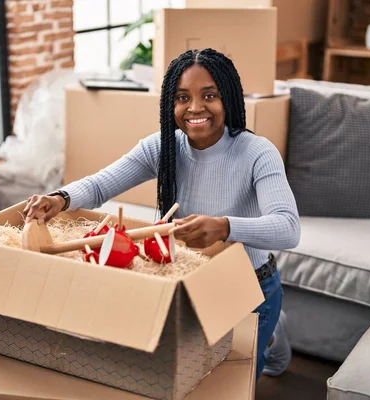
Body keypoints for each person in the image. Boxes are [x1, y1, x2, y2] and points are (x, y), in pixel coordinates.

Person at [24, 48, 300, 379]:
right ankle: (273, 327)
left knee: (232, 383)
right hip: (189, 282)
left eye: (209, 95)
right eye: (183, 97)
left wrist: (225, 228)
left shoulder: (258, 153)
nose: (195, 108)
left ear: (228, 97)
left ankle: (271, 326)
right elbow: (101, 185)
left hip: (249, 285)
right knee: (191, 375)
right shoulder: (162, 147)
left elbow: (288, 229)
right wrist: (61, 198)